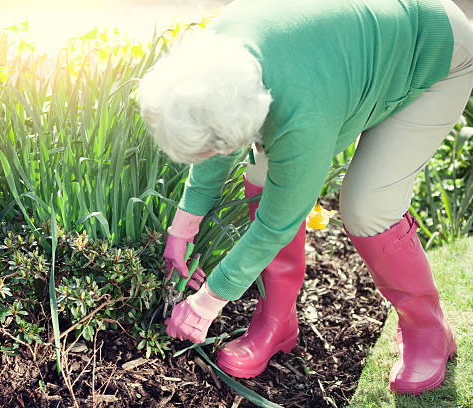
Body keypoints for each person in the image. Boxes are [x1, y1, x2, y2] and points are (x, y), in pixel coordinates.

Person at [138, 0, 473, 396]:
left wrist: (205, 305)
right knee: (261, 170)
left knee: (368, 205)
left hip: (433, 54)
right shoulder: (216, 55)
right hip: (357, 57)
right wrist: (183, 226)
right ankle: (277, 320)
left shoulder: (302, 118)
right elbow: (213, 128)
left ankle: (427, 329)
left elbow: (276, 223)